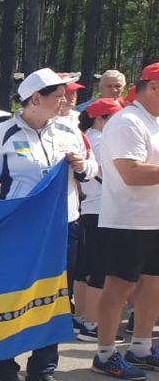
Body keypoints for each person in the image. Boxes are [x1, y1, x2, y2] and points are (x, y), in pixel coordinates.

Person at [0, 68, 97, 381]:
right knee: (13, 295)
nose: (66, 100)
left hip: (64, 225)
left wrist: (83, 166)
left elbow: (93, 167)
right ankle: (5, 366)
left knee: (58, 297)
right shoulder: (2, 133)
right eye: (59, 95)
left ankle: (43, 368)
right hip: (19, 228)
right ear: (35, 99)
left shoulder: (69, 130)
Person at [89, 62, 159, 381]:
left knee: (153, 284)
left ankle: (141, 348)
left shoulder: (153, 121)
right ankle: (105, 353)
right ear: (154, 87)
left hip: (153, 218)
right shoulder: (127, 121)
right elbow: (131, 173)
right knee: (119, 285)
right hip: (128, 220)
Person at [73, 98, 123, 342]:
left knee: (85, 268)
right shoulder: (102, 141)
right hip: (102, 210)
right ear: (101, 118)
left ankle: (82, 317)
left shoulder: (90, 139)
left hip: (90, 210)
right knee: (99, 269)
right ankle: (92, 324)